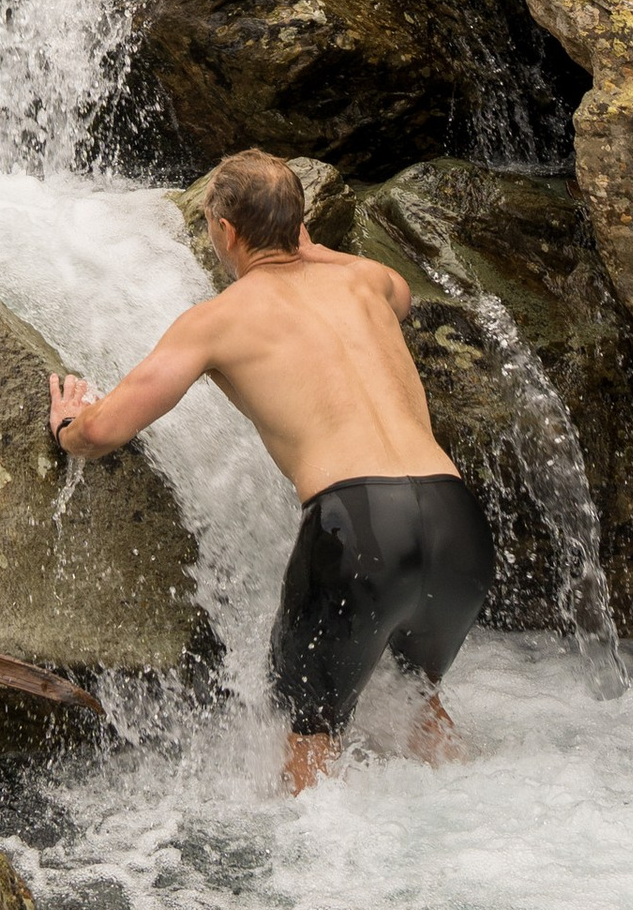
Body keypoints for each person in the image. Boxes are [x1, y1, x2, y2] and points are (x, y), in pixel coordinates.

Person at [47, 148, 494, 792]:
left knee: (310, 756)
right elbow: (400, 294)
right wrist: (308, 250)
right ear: (301, 226)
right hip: (457, 528)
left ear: (227, 232)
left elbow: (105, 429)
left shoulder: (217, 321)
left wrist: (69, 425)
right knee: (418, 710)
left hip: (362, 530)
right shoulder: (365, 282)